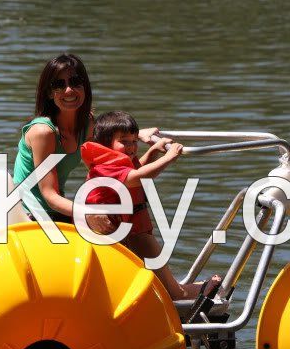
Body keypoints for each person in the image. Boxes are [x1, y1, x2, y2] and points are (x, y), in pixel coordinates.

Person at [80, 110, 218, 301]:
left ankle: (178, 290)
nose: (131, 147)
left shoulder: (114, 160)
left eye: (134, 141)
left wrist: (152, 152)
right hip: (126, 230)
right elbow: (138, 177)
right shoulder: (106, 166)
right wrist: (168, 158)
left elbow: (135, 170)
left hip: (129, 226)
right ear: (106, 144)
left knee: (152, 275)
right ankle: (187, 293)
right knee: (171, 290)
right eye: (124, 142)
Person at [13, 54, 157, 222]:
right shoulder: (43, 133)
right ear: (50, 93)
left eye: (75, 82)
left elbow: (111, 172)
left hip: (57, 210)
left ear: (85, 87)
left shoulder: (86, 124)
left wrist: (147, 143)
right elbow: (49, 194)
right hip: (27, 214)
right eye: (59, 85)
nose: (69, 90)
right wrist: (88, 213)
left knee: (116, 220)